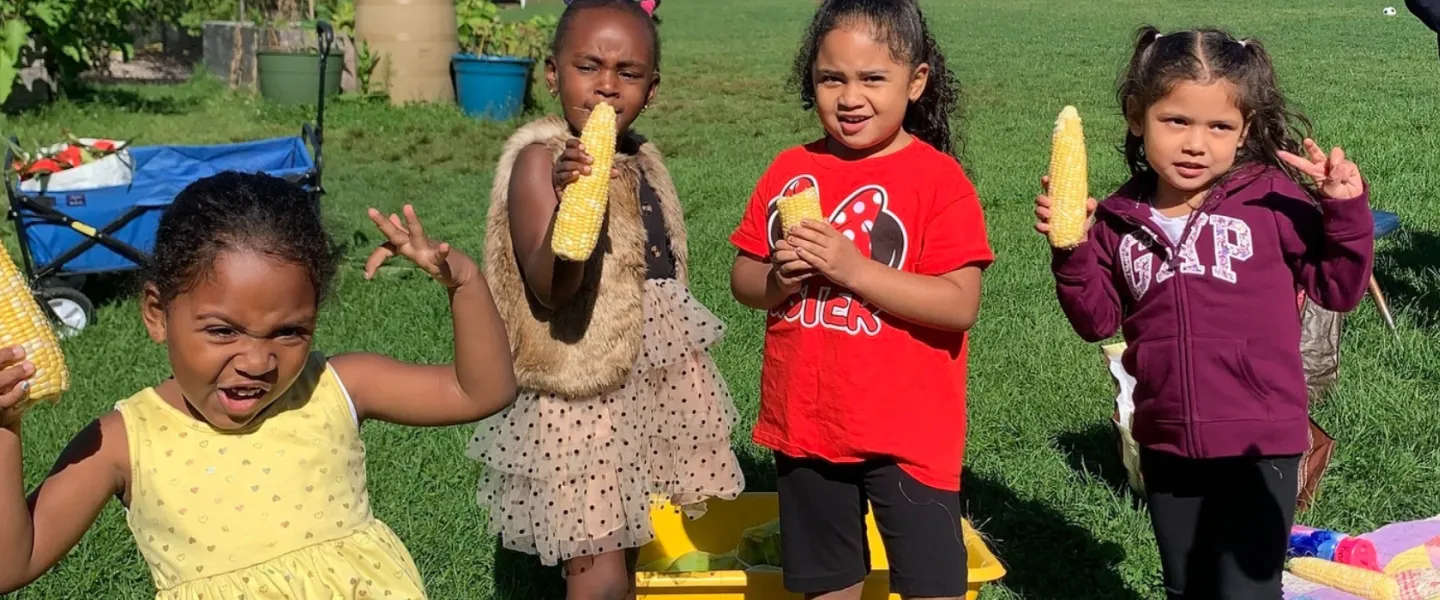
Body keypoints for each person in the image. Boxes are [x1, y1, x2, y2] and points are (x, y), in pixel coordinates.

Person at [0, 171, 517, 598]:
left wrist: (464, 281)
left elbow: (483, 391)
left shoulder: (335, 386)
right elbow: (11, 563)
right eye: (222, 331)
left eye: (289, 332)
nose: (257, 360)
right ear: (157, 314)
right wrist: (5, 424)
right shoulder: (123, 440)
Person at [1036, 26, 1375, 599]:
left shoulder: (1272, 199)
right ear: (1136, 115)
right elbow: (1096, 321)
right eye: (1177, 121)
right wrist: (1071, 250)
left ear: (1244, 132)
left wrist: (1344, 213)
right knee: (1186, 588)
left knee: (1246, 589)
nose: (1197, 144)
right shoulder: (1119, 218)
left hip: (1259, 442)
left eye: (1219, 126)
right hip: (1167, 442)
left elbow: (1338, 287)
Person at [469, 0, 744, 597]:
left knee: (637, 530)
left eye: (629, 73)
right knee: (597, 563)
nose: (607, 87)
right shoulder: (539, 164)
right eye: (588, 66)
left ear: (653, 87)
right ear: (551, 74)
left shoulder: (640, 157)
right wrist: (573, 204)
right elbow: (549, 285)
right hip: (583, 385)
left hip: (652, 371)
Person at [728, 1, 993, 598]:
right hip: (807, 425)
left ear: (915, 82)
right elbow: (743, 280)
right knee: (828, 584)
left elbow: (959, 303)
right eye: (832, 78)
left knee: (933, 585)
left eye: (873, 79)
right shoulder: (790, 170)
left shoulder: (939, 180)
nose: (851, 98)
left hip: (909, 435)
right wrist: (780, 280)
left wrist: (853, 268)